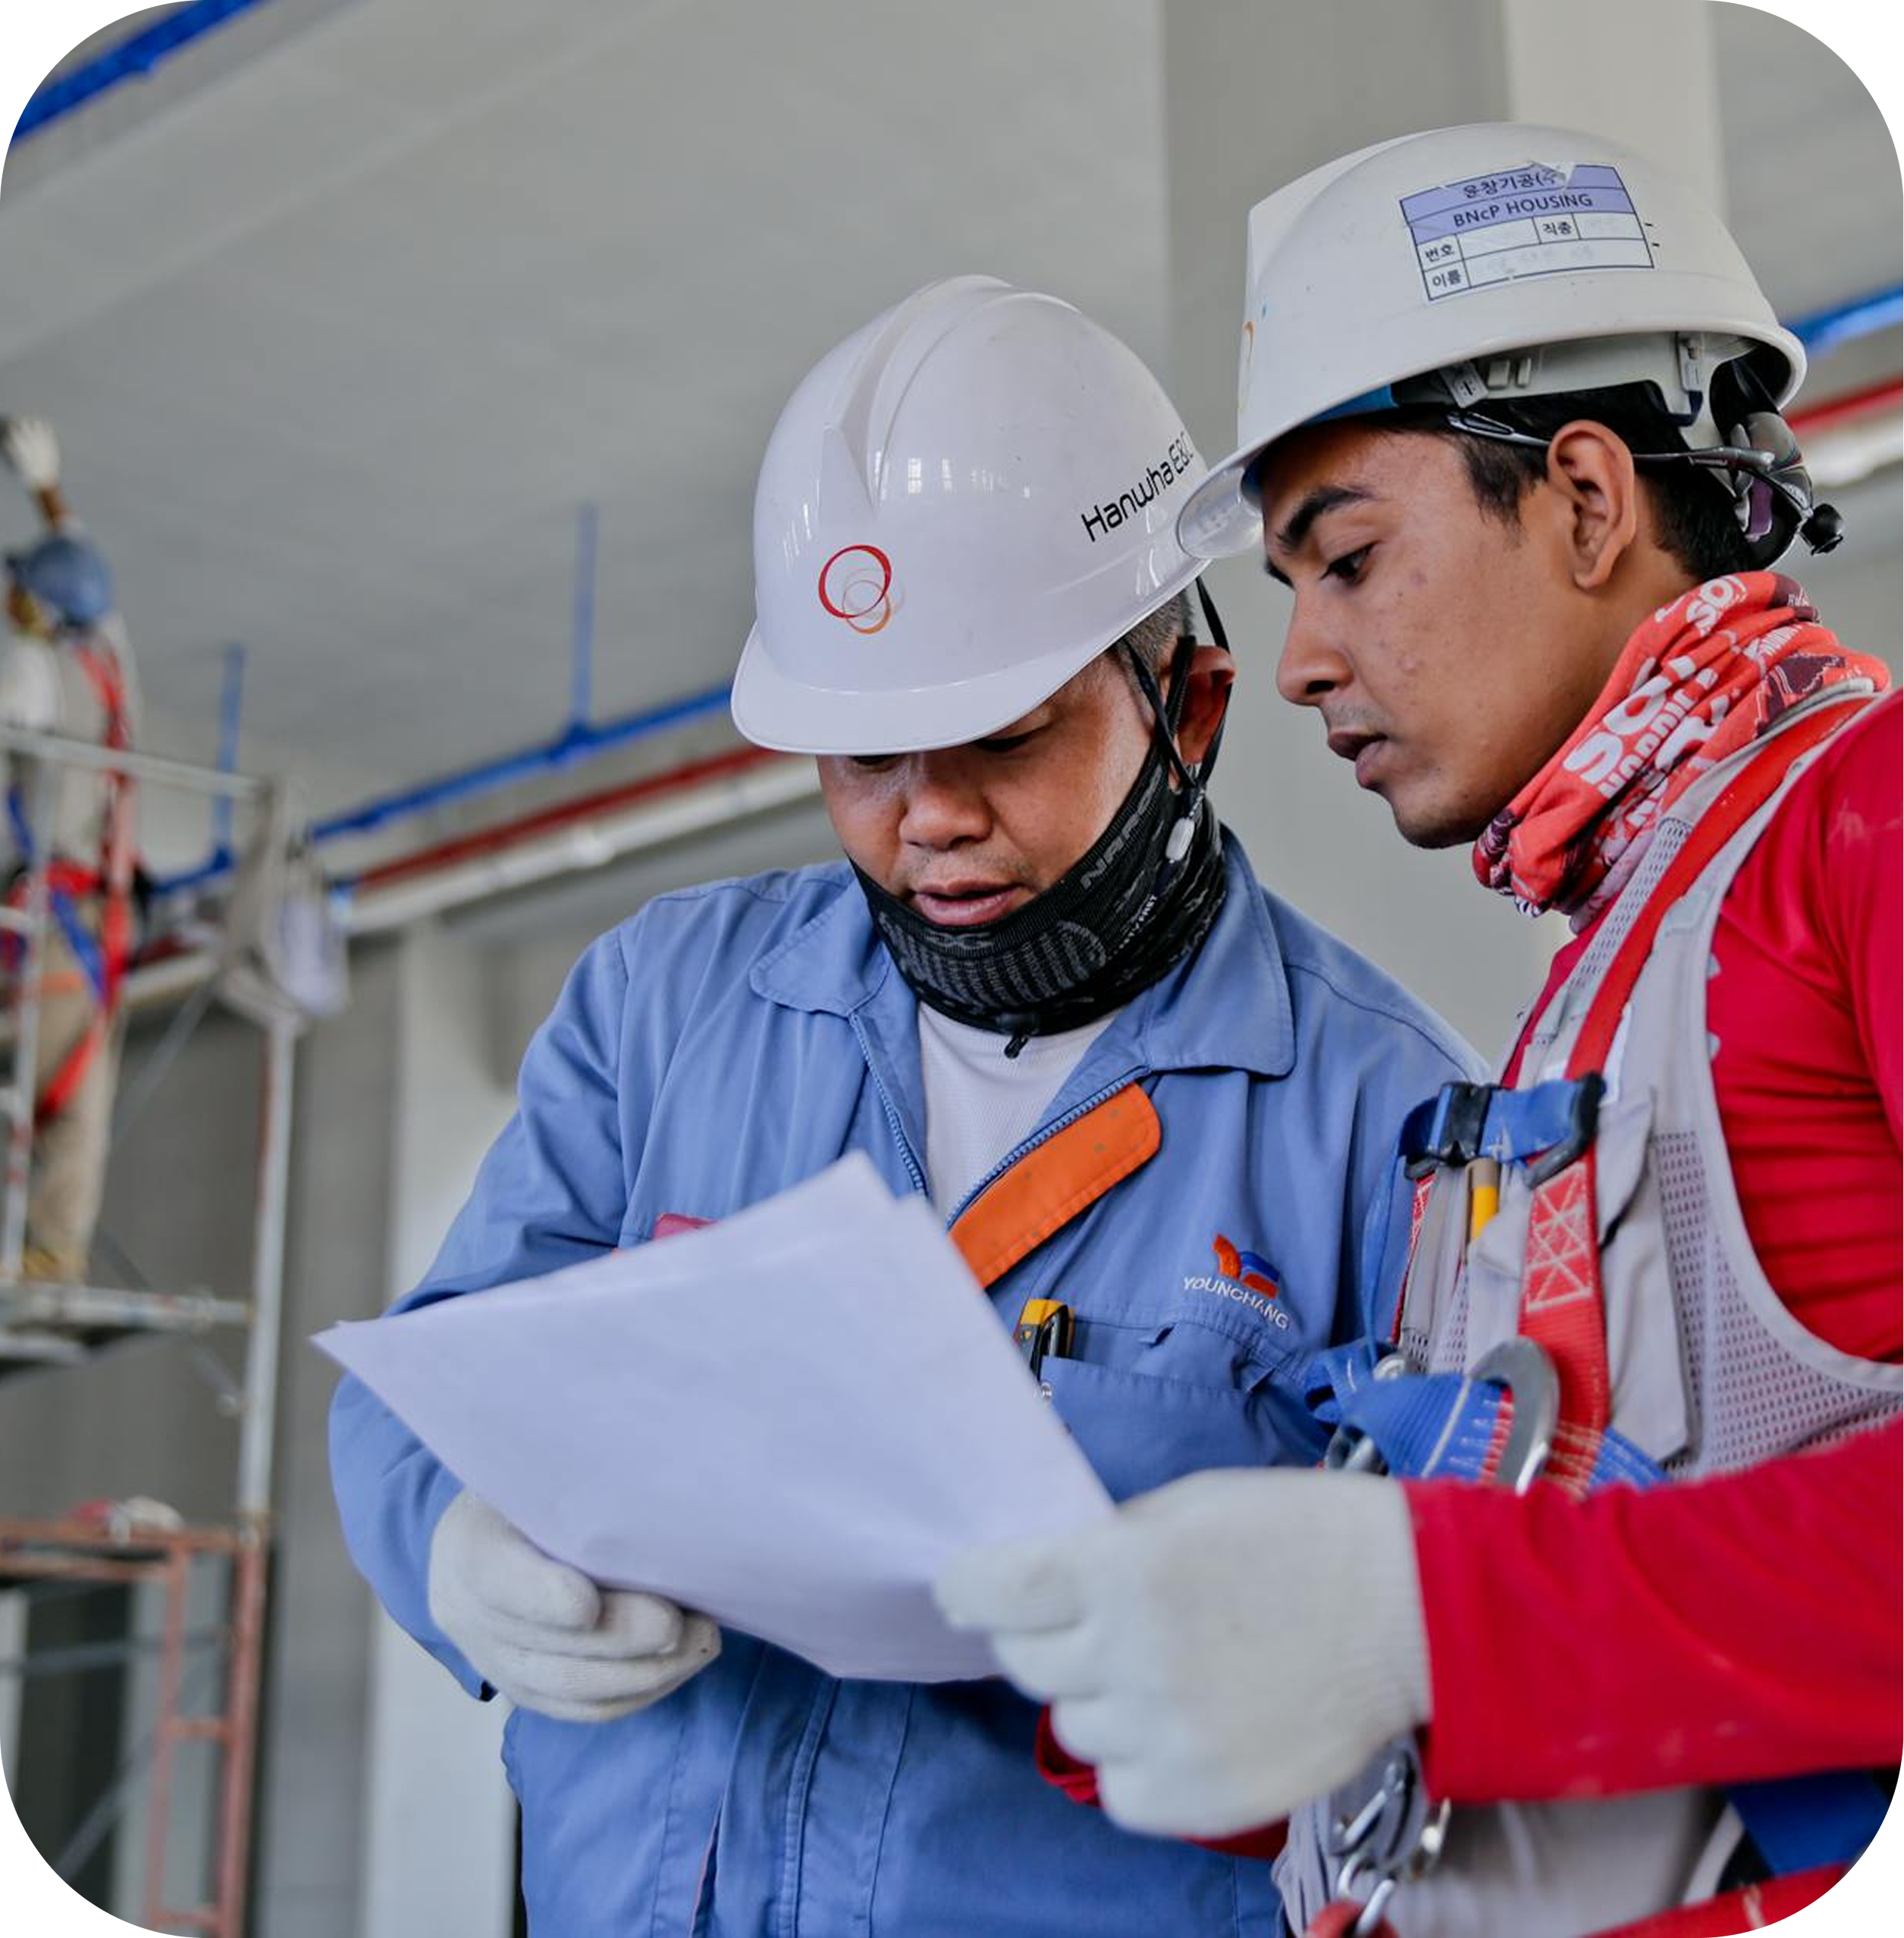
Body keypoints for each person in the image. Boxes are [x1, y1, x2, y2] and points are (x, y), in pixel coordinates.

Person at [329, 275, 1474, 1935]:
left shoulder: (1383, 1119)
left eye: (1001, 741)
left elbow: (1452, 1667)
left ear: (1189, 709)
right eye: (863, 757)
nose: (925, 818)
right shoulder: (663, 1009)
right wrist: (454, 1546)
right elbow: (435, 1370)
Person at [936, 130, 1904, 1938]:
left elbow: (1533, 1623)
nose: (1297, 658)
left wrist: (1425, 1613)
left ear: (1588, 500)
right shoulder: (1605, 967)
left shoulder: (1862, 821)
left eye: (1345, 559)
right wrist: (1200, 1665)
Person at [0, 416, 140, 1285]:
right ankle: (54, 1254)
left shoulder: (30, 671)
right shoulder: (110, 656)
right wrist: (48, 490)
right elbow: (82, 572)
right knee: (77, 1090)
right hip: (95, 916)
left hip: (40, 916)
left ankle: (39, 1254)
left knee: (33, 1087)